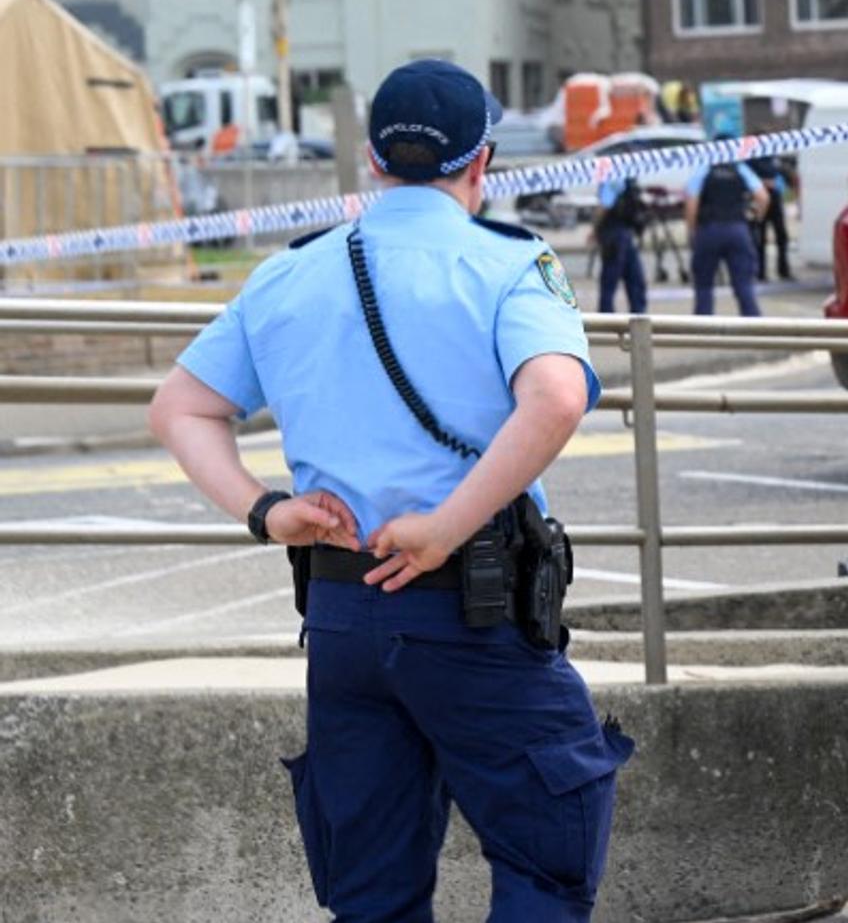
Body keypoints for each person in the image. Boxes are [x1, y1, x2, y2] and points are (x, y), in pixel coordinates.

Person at [147, 58, 631, 923]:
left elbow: (181, 406)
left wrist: (265, 511)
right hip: (474, 615)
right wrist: (445, 526)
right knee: (544, 861)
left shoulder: (288, 274)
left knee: (370, 891)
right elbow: (557, 395)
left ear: (372, 160)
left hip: (341, 616)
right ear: (482, 163)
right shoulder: (509, 264)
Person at [684, 143, 770, 316]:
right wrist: (755, 219)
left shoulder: (704, 169)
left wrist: (692, 231)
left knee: (704, 286)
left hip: (708, 230)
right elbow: (763, 197)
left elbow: (691, 203)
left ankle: (702, 331)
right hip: (737, 230)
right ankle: (755, 331)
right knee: (744, 286)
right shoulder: (740, 169)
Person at [595, 176, 650, 313]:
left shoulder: (613, 179)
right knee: (633, 281)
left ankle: (608, 319)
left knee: (611, 281)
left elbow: (604, 207)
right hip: (624, 234)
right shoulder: (625, 179)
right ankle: (637, 318)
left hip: (616, 233)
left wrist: (596, 228)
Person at [746, 153, 794, 281]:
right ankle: (760, 272)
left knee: (782, 236)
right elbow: (748, 178)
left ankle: (783, 269)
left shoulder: (772, 157)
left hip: (774, 197)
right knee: (760, 237)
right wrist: (764, 182)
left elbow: (781, 174)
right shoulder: (751, 158)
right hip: (759, 198)